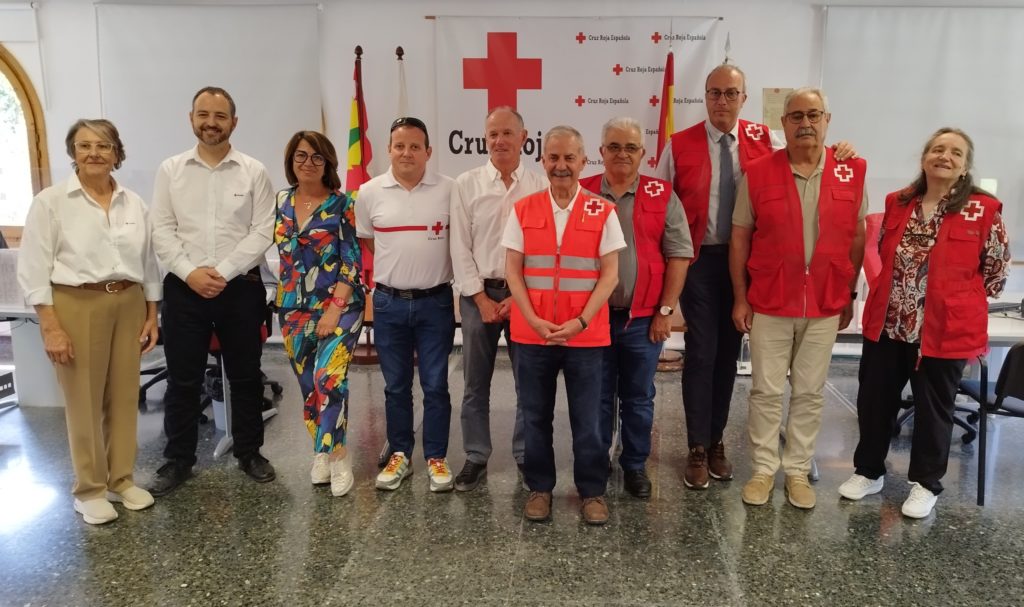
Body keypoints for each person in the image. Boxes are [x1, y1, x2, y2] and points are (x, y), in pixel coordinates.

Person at [656, 64, 856, 490]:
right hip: (701, 262)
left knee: (730, 355)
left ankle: (716, 442)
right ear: (705, 97)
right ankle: (695, 445)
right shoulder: (679, 144)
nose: (722, 101)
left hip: (753, 264)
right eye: (715, 93)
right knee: (703, 351)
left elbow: (811, 154)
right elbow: (661, 208)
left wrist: (843, 151)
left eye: (732, 93)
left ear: (744, 99)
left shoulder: (766, 138)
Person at [838, 127, 1010, 519]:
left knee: (935, 410)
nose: (944, 157)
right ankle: (869, 471)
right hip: (889, 324)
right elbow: (884, 253)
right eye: (937, 149)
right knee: (873, 402)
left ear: (965, 165)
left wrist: (951, 297)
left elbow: (995, 275)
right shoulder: (898, 202)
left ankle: (925, 484)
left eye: (954, 152)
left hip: (943, 330)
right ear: (924, 158)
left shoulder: (983, 209)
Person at [18, 118, 161, 524]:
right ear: (73, 153)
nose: (94, 152)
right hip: (76, 302)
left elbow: (149, 262)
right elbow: (33, 268)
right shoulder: (51, 202)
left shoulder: (134, 202)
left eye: (103, 145)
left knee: (123, 395)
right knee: (83, 398)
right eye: (84, 146)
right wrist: (51, 325)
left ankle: (121, 480)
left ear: (117, 153)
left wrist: (152, 313)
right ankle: (89, 489)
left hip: (128, 301)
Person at [729, 87, 867, 509]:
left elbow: (858, 235)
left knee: (809, 393)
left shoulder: (851, 170)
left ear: (827, 119)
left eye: (813, 115)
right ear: (783, 123)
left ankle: (797, 472)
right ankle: (763, 470)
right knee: (766, 392)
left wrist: (848, 293)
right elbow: (740, 237)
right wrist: (741, 297)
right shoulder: (758, 171)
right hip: (770, 299)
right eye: (795, 116)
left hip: (825, 302)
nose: (805, 123)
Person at [148, 86, 276, 495]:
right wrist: (191, 273)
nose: (211, 123)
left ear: (233, 123)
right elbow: (161, 231)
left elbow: (263, 231)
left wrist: (220, 271)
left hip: (240, 287)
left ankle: (250, 452)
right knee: (183, 380)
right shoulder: (171, 170)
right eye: (203, 114)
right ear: (191, 119)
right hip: (184, 288)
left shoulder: (253, 170)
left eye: (220, 116)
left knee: (245, 376)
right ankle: (178, 460)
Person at [504, 125, 626, 525]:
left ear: (583, 161)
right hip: (532, 333)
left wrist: (580, 321)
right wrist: (533, 319)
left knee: (589, 417)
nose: (561, 166)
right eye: (553, 158)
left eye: (569, 158)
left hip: (586, 335)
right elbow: (513, 270)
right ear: (543, 161)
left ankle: (592, 491)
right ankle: (540, 488)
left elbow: (610, 275)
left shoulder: (602, 210)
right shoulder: (523, 209)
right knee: (535, 414)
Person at [579, 117, 692, 499]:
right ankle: (595, 464)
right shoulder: (582, 192)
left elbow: (679, 255)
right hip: (591, 320)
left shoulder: (663, 194)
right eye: (614, 146)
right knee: (596, 395)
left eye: (630, 147)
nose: (622, 154)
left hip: (643, 321)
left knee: (639, 397)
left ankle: (635, 465)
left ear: (643, 154)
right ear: (600, 153)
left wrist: (665, 312)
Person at [354, 117, 457, 493]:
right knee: (396, 386)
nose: (407, 153)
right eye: (399, 146)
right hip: (389, 304)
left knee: (435, 385)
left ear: (429, 152)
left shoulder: (449, 190)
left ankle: (436, 456)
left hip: (436, 303)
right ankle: (400, 454)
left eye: (415, 146)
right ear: (388, 150)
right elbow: (368, 242)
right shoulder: (368, 192)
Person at [450, 107, 548, 492]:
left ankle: (526, 456)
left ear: (524, 137)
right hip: (478, 296)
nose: (499, 141)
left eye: (508, 133)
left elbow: (542, 250)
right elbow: (459, 246)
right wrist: (481, 297)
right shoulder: (467, 184)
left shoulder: (539, 186)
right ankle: (475, 455)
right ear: (484, 138)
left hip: (524, 298)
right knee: (475, 382)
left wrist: (517, 298)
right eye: (492, 134)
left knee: (529, 383)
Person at [275, 131, 365, 497]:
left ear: (328, 164)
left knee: (329, 380)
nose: (308, 163)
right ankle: (321, 451)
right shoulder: (281, 201)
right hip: (293, 309)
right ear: (290, 161)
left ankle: (339, 455)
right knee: (309, 387)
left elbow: (352, 263)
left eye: (316, 157)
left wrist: (334, 310)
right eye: (300, 156)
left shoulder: (342, 205)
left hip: (338, 307)